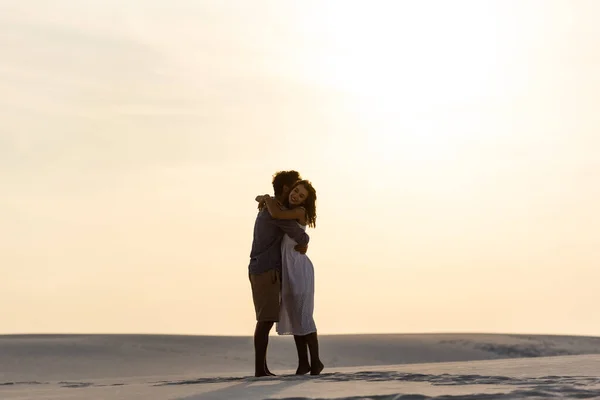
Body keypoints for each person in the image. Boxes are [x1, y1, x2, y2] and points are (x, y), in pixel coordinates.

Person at [256, 179, 324, 375]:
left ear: (306, 201)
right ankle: (304, 363)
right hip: (289, 270)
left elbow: (276, 214)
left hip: (299, 269)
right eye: (295, 191)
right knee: (295, 316)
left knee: (303, 315)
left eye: (301, 195)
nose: (296, 196)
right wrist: (263, 199)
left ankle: (316, 361)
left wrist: (266, 198)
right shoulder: (288, 213)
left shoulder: (299, 211)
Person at [248, 170, 310, 377]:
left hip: (261, 268)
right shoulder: (276, 211)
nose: (295, 190)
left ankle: (262, 368)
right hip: (266, 270)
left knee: (265, 319)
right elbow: (300, 235)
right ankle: (260, 370)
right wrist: (305, 243)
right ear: (286, 188)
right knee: (265, 320)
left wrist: (265, 198)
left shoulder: (270, 205)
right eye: (294, 186)